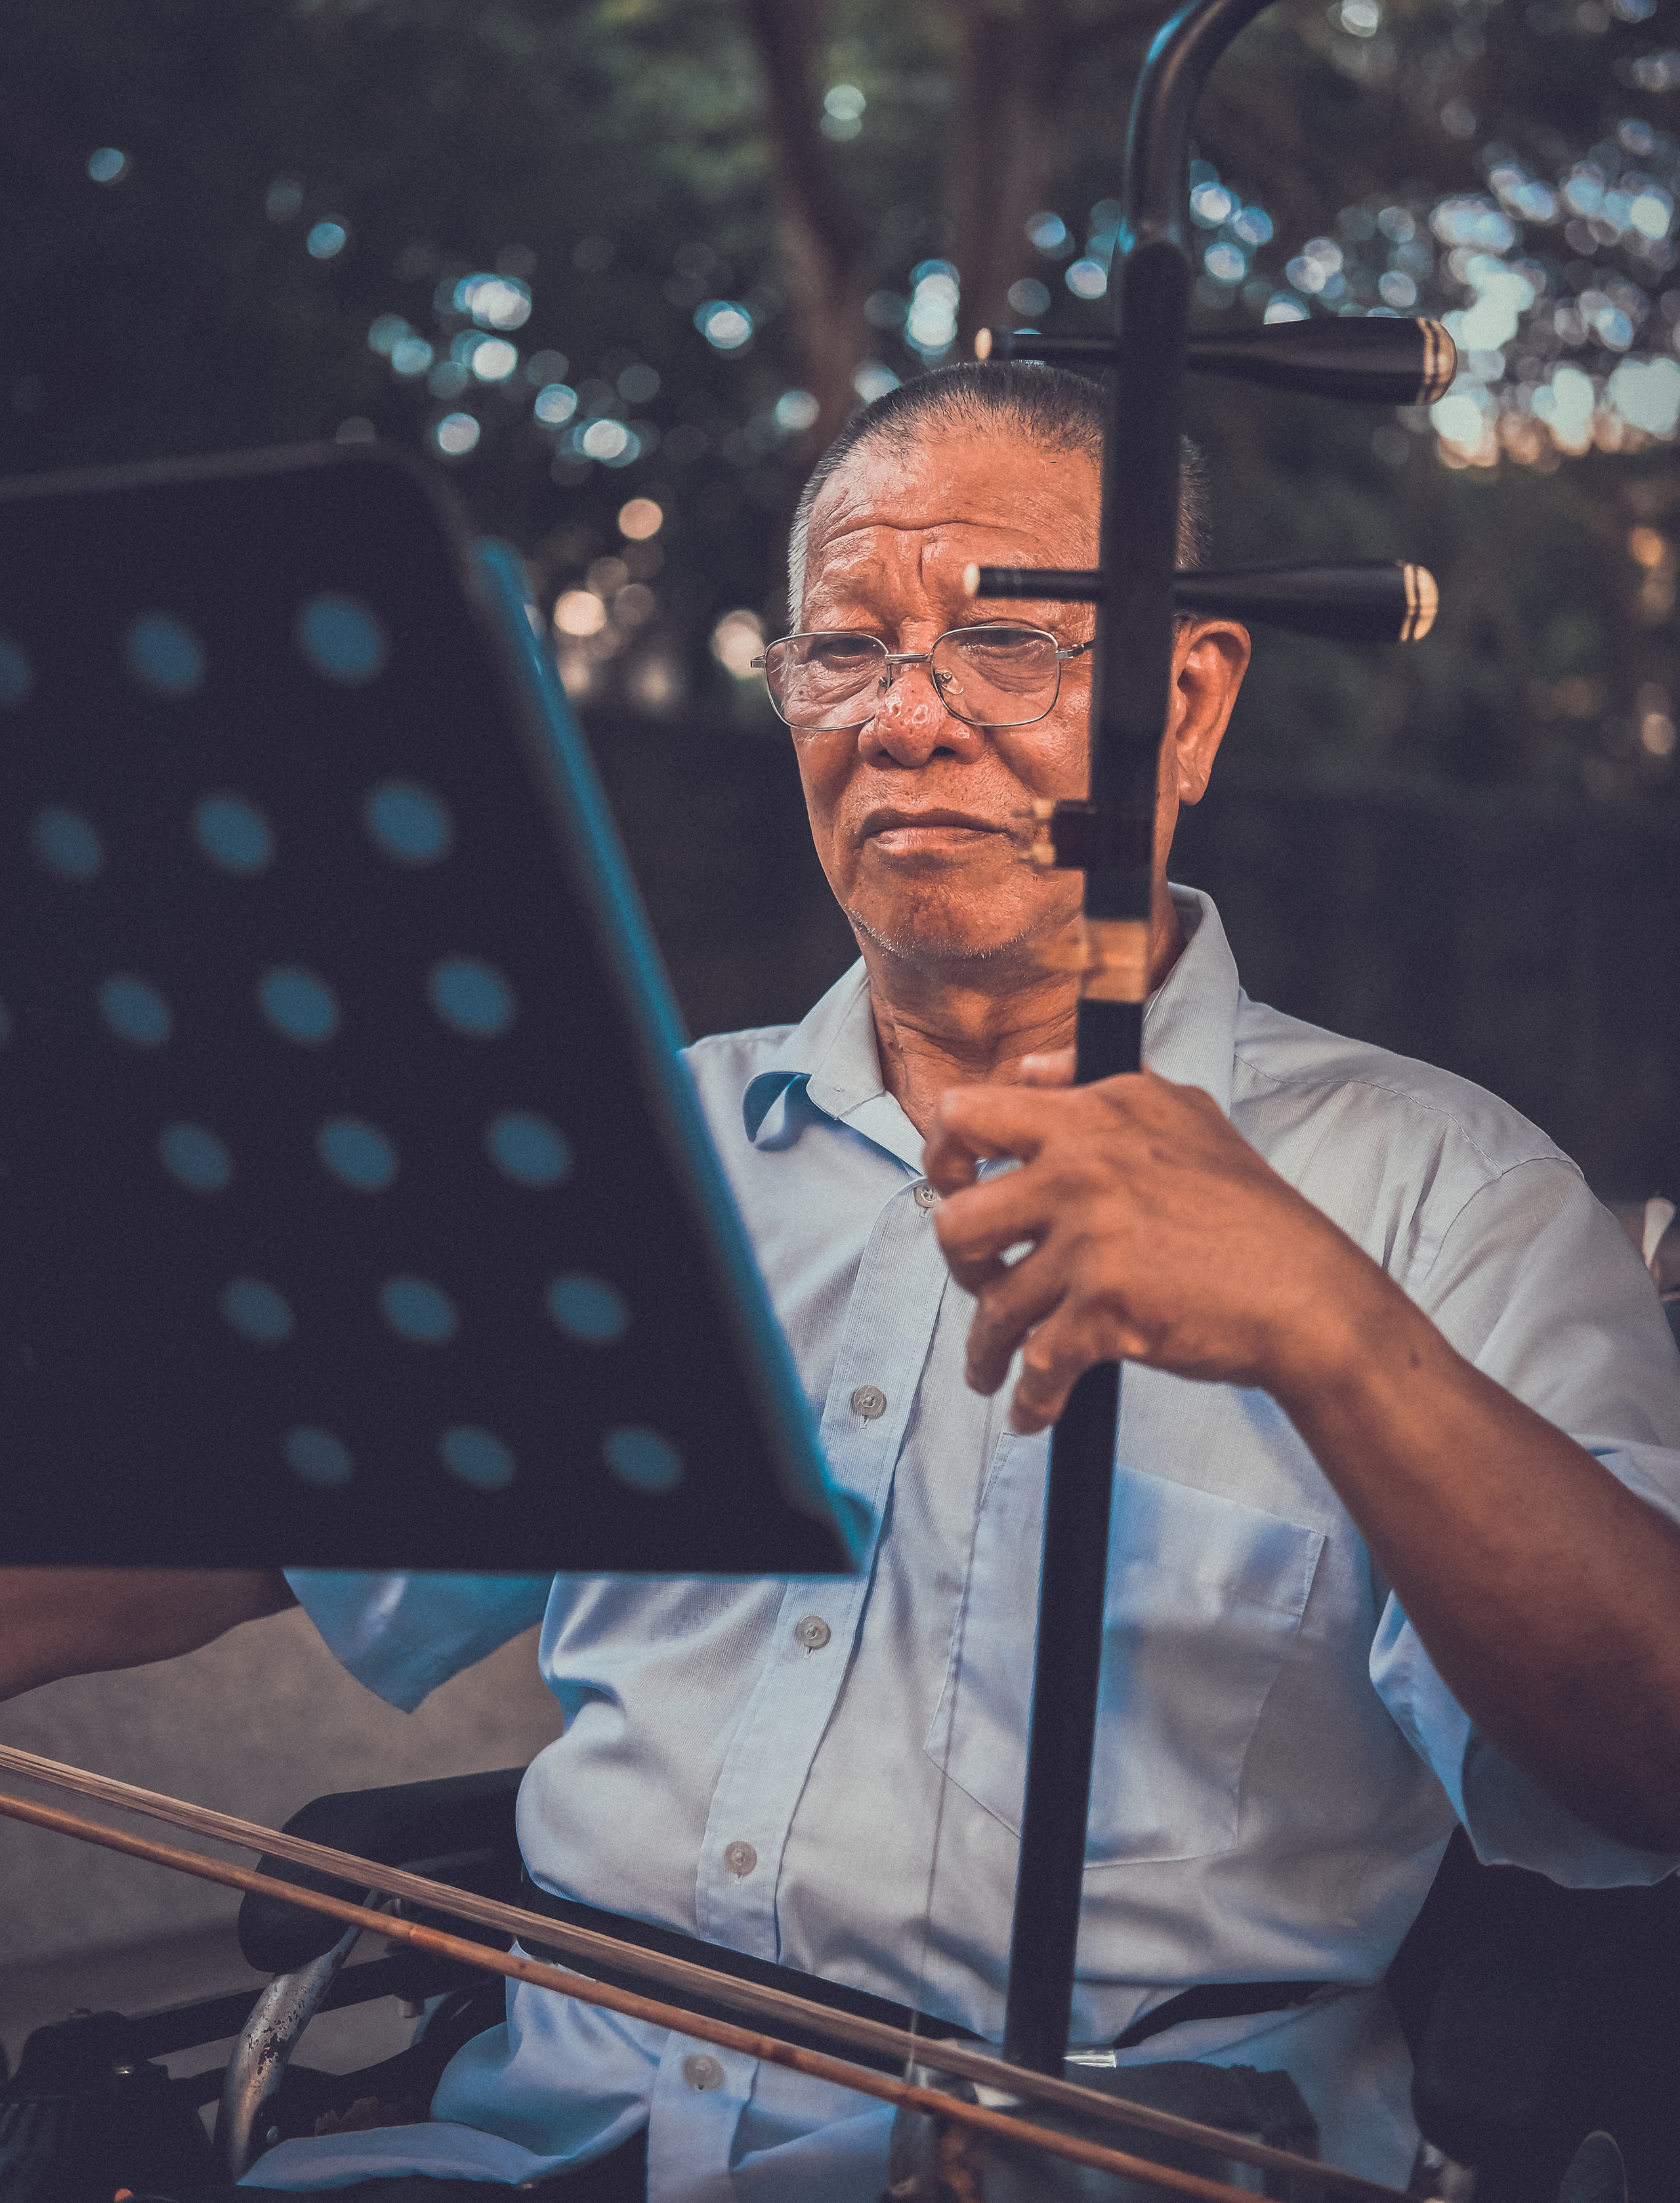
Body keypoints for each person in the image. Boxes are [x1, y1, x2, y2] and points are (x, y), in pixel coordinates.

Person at [5, 362, 1679, 2202]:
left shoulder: (1442, 1188)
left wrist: (1332, 1332)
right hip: (521, 2140)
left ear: (1187, 704)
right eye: (845, 648)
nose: (906, 719)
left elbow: (1651, 1760)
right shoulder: (653, 1140)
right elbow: (226, 1524)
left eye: (1006, 643)